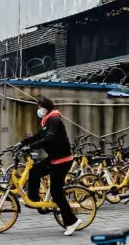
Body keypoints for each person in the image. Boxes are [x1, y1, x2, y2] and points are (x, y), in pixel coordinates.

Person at [18, 96, 81, 236]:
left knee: (56, 193)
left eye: (39, 107)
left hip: (62, 161)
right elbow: (37, 136)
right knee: (34, 171)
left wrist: (31, 147)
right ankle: (34, 201)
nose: (38, 110)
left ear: (46, 108)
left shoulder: (54, 120)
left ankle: (72, 222)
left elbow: (49, 138)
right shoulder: (46, 122)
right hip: (53, 158)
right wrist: (22, 143)